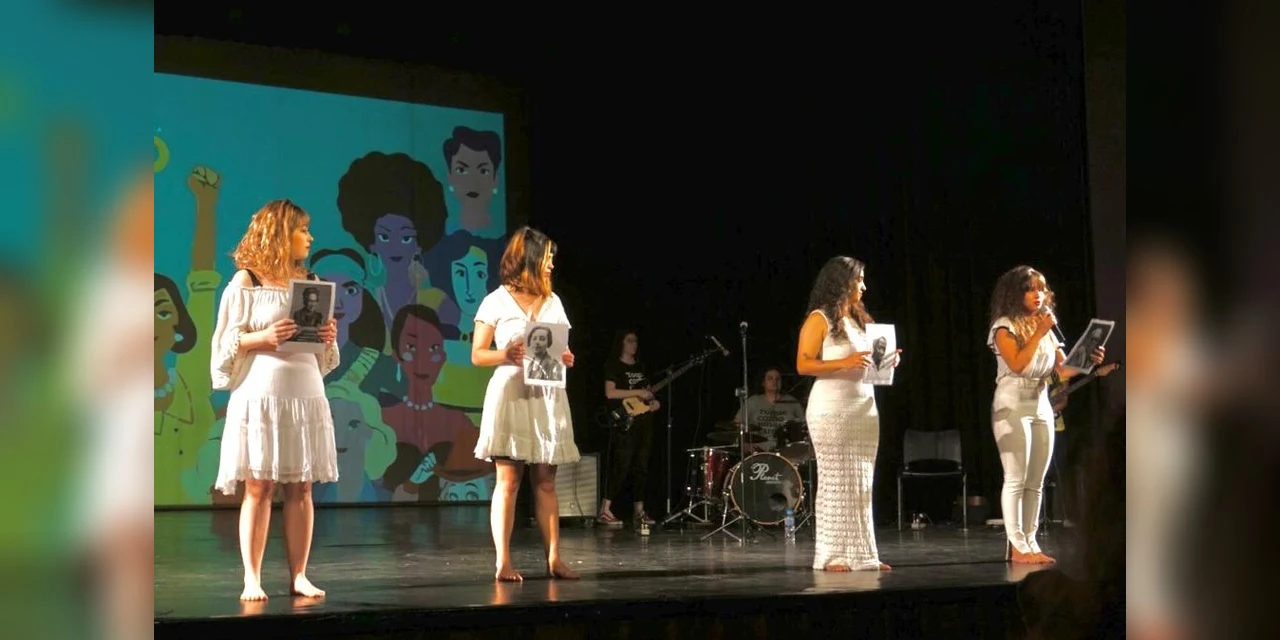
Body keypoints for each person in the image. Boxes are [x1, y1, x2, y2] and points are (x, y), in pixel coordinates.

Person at [210, 198, 340, 600]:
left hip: (305, 392)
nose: (310, 237)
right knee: (259, 486)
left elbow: (322, 351)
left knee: (302, 487)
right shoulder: (247, 280)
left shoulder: (310, 280)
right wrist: (263, 338)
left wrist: (328, 337)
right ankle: (252, 577)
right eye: (303, 229)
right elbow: (226, 341)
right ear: (282, 233)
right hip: (261, 395)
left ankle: (299, 574)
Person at [471, 226, 580, 582]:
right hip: (511, 395)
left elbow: (559, 348)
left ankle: (554, 559)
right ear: (530, 259)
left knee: (546, 481)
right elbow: (477, 354)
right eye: (547, 258)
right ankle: (502, 562)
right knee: (509, 480)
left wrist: (565, 357)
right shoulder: (496, 301)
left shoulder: (553, 302)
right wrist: (505, 354)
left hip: (546, 396)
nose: (551, 265)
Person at [987, 265, 1103, 565]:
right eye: (1030, 289)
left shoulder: (1046, 330)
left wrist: (1088, 361)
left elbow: (1062, 371)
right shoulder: (1004, 327)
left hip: (1040, 402)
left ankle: (1031, 542)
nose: (1038, 295)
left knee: (1036, 480)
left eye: (1041, 289)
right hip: (1012, 402)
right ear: (1015, 294)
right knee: (1016, 477)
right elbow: (1018, 364)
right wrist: (1039, 331)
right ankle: (1016, 546)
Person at [795, 256, 900, 571]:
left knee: (860, 481)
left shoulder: (857, 319)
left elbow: (868, 366)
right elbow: (803, 364)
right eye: (859, 280)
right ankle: (831, 555)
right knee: (836, 481)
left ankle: (863, 554)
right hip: (832, 409)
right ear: (842, 282)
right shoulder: (819, 319)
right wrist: (845, 362)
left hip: (862, 408)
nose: (864, 286)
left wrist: (887, 362)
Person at [598, 329, 660, 528]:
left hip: (644, 421)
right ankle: (605, 509)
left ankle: (639, 511)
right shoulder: (613, 365)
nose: (634, 344)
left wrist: (654, 403)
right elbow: (610, 392)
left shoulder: (641, 367)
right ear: (622, 343)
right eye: (630, 341)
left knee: (641, 467)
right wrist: (637, 392)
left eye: (636, 341)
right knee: (621, 465)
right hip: (625, 421)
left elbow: (647, 393)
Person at [732, 367, 805, 454]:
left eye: (778, 379)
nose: (775, 381)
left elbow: (805, 425)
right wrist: (744, 443)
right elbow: (737, 424)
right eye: (770, 378)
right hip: (757, 450)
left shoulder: (792, 402)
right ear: (763, 383)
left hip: (786, 450)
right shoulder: (753, 401)